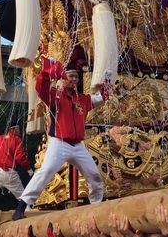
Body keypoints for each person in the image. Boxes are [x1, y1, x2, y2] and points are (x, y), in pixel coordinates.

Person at [12, 59, 108, 220]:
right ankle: (22, 206)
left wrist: (107, 81)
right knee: (46, 171)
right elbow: (40, 87)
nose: (74, 80)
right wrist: (47, 72)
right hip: (59, 143)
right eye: (71, 76)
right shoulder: (55, 97)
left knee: (95, 176)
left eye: (76, 77)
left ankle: (96, 208)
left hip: (78, 145)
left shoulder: (83, 99)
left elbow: (102, 98)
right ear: (64, 78)